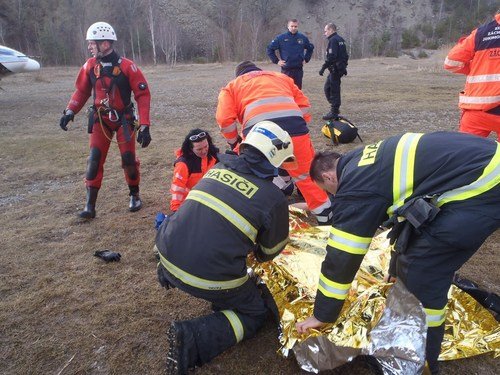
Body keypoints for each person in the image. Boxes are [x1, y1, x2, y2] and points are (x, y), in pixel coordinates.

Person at [295, 131, 500, 374]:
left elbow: (342, 256)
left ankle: (417, 361)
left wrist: (322, 314)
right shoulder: (365, 160)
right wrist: (394, 268)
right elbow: (408, 217)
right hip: (484, 170)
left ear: (329, 177)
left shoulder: (355, 187)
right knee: (413, 260)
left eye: (329, 191)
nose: (333, 197)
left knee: (422, 271)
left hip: (485, 185)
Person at [156, 121, 294, 373]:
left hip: (165, 253)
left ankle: (174, 275)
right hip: (202, 273)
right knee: (254, 312)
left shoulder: (216, 168)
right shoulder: (273, 198)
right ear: (275, 159)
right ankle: (193, 338)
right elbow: (268, 253)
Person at [216, 60, 333, 224]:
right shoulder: (281, 77)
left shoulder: (232, 87)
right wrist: (296, 127)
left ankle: (258, 217)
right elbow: (304, 106)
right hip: (294, 129)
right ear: (258, 70)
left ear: (239, 75)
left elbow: (225, 121)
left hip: (258, 137)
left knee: (256, 178)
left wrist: (234, 142)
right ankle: (325, 215)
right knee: (307, 176)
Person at [59, 22, 152, 219]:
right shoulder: (90, 66)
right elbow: (82, 91)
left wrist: (145, 125)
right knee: (94, 160)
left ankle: (134, 195)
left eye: (93, 43)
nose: (90, 47)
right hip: (100, 120)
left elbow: (143, 95)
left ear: (106, 44)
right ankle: (89, 206)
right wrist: (70, 110)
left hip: (124, 121)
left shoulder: (128, 67)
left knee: (128, 160)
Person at [444, 10, 500, 141]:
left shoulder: (481, 33)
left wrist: (475, 68)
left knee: (465, 157)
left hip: (475, 111)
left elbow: (451, 62)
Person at [169, 129, 219, 213]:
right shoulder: (183, 165)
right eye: (199, 149)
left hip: (210, 198)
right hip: (191, 202)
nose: (203, 151)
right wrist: (176, 211)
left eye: (206, 146)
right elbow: (177, 189)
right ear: (190, 149)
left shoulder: (214, 155)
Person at [266, 18, 314, 89]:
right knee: (286, 91)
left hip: (298, 70)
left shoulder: (302, 38)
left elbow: (310, 48)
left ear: (298, 27)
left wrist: (306, 59)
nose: (293, 28)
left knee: (297, 92)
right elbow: (269, 49)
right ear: (288, 26)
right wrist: (277, 61)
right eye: (292, 26)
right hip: (286, 70)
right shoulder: (281, 38)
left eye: (295, 26)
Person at [320, 22, 349, 121]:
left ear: (331, 30)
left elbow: (332, 56)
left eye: (326, 31)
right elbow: (345, 55)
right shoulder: (341, 40)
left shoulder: (333, 40)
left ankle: (334, 111)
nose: (325, 33)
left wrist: (323, 67)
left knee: (333, 90)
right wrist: (344, 67)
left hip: (335, 69)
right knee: (328, 88)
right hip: (338, 69)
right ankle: (334, 108)